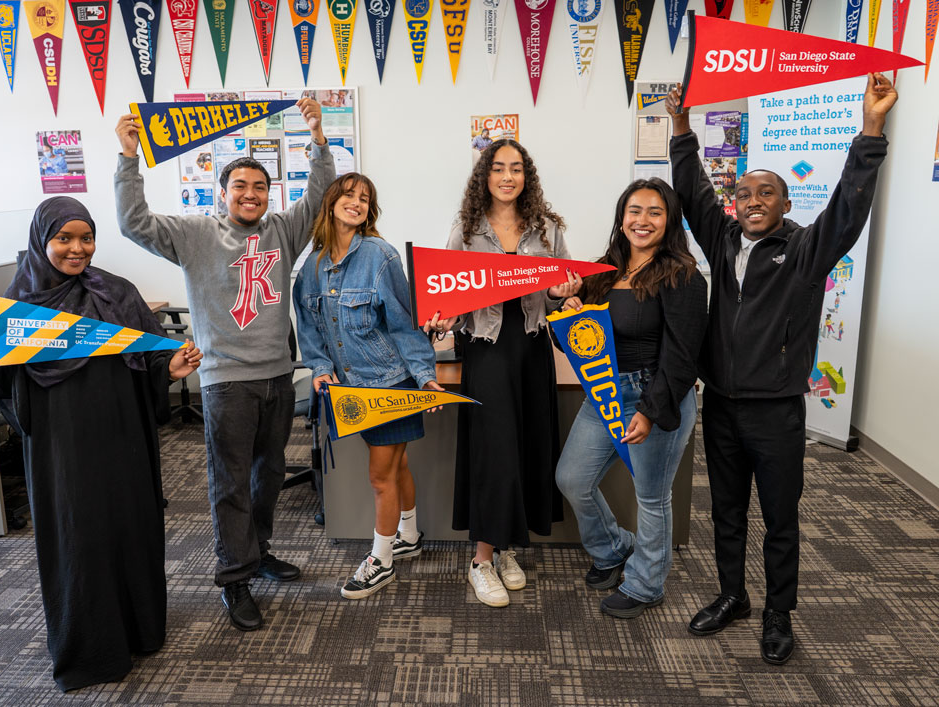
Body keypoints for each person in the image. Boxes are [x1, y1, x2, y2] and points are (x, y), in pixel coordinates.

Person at [665, 73, 898, 664]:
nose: (752, 202)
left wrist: (870, 130)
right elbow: (692, 195)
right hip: (720, 403)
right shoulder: (721, 239)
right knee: (724, 509)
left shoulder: (805, 251)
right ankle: (732, 596)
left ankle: (777, 612)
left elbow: (848, 209)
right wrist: (681, 128)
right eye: (744, 194)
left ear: (786, 202)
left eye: (765, 193)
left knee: (779, 517)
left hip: (775, 410)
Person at [113, 98, 335, 632]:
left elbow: (320, 195)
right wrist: (128, 159)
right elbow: (133, 222)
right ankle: (234, 577)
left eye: (259, 188)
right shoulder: (194, 235)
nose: (251, 195)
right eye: (240, 187)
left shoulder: (284, 230)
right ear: (223, 192)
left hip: (279, 376)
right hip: (226, 382)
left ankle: (257, 552)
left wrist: (318, 137)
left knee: (270, 473)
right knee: (230, 481)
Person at [0, 196, 201, 692]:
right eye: (64, 239)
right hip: (63, 448)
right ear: (41, 241)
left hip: (123, 436)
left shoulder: (117, 292)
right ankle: (93, 649)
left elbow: (151, 355)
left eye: (86, 237)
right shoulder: (20, 305)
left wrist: (170, 369)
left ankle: (140, 629)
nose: (78, 249)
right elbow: (7, 384)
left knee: (130, 527)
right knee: (81, 538)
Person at [426, 139, 580, 607]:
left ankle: (507, 547)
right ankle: (481, 560)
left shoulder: (547, 228)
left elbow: (563, 287)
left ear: (526, 176)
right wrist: (443, 316)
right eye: (498, 169)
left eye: (516, 168)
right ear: (485, 177)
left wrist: (565, 291)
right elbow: (447, 297)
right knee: (494, 450)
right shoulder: (467, 228)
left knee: (528, 445)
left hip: (532, 347)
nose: (507, 176)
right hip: (487, 347)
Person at [554, 179, 707, 619]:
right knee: (573, 479)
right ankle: (614, 548)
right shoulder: (603, 270)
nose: (643, 221)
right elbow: (576, 342)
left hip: (654, 394)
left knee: (652, 497)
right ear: (622, 219)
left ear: (669, 220)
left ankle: (646, 584)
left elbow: (682, 356)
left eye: (654, 212)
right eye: (634, 211)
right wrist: (563, 308)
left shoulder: (683, 275)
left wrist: (651, 410)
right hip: (602, 390)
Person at [294, 173, 443, 599]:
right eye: (348, 195)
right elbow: (308, 326)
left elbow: (404, 324)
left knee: (380, 477)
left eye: (365, 198)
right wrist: (319, 366)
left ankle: (380, 561)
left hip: (390, 383)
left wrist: (425, 377)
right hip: (350, 389)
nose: (356, 203)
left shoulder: (380, 256)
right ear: (331, 203)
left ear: (369, 211)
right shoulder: (313, 266)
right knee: (395, 467)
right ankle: (409, 536)